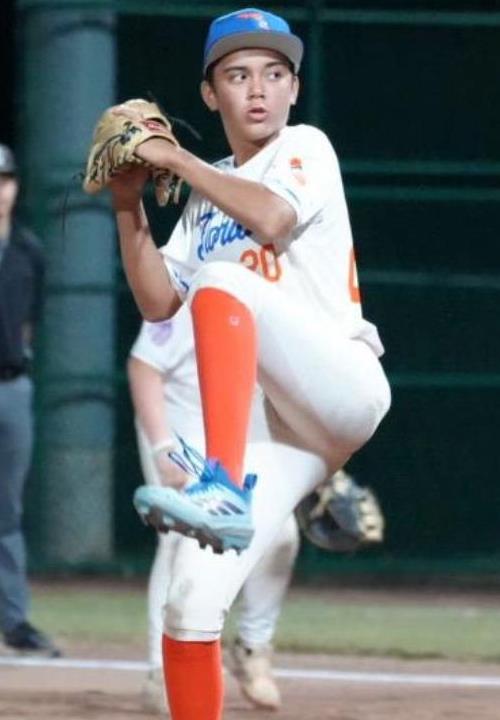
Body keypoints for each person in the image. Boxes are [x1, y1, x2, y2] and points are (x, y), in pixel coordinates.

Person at [107, 7, 391, 719]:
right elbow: (158, 304)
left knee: (225, 280)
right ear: (211, 95)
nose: (258, 88)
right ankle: (225, 493)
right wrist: (127, 203)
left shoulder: (305, 148)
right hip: (278, 427)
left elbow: (271, 219)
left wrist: (176, 160)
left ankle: (222, 486)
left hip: (344, 383)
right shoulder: (206, 201)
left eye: (274, 73)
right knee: (189, 603)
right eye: (237, 75)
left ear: (294, 88)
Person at [128, 306, 301, 713]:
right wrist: (161, 446)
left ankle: (253, 647)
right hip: (181, 435)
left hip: (242, 439)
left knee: (283, 536)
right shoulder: (195, 291)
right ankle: (161, 671)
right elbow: (143, 367)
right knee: (179, 539)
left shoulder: (279, 300)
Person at [0, 143, 60, 657]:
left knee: (7, 511)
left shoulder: (28, 249)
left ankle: (13, 621)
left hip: (12, 386)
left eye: (5, 180)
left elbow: (30, 323)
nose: (0, 190)